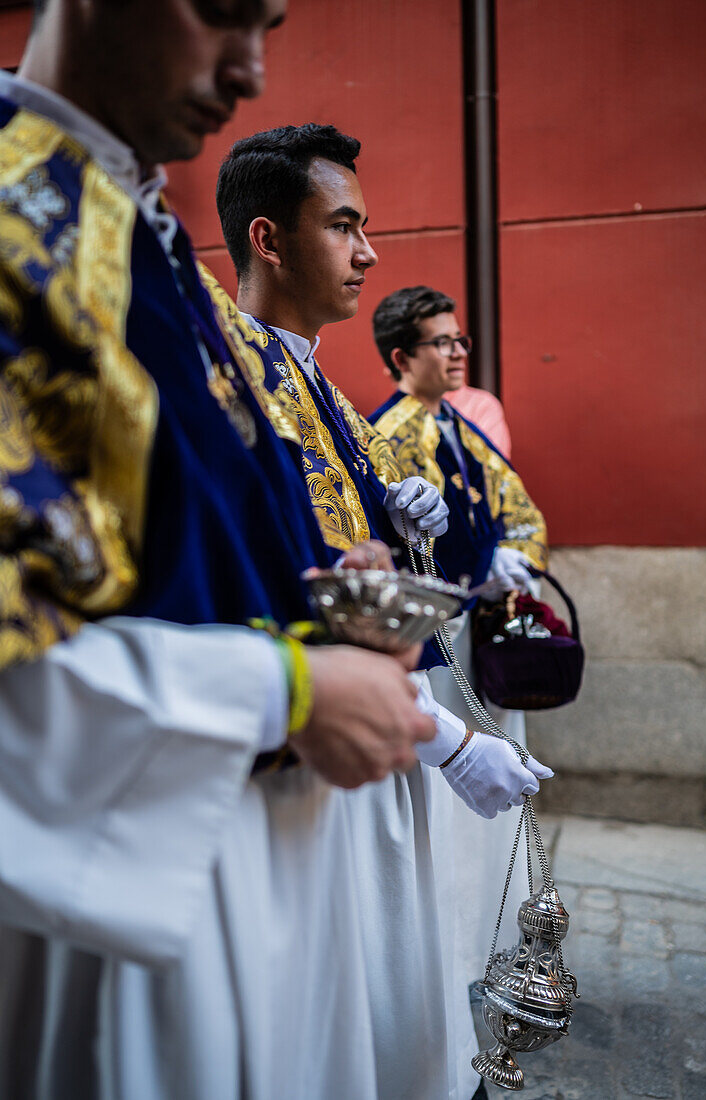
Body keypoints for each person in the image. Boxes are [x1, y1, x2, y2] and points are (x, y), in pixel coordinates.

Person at [0, 4, 448, 1098]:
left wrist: (303, 587)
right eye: (221, 11)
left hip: (242, 853)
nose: (251, 68)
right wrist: (289, 684)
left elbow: (170, 537)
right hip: (121, 885)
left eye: (269, 20)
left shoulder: (137, 226)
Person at [215, 124, 553, 1097]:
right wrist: (444, 736)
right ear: (271, 239)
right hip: (320, 747)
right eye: (346, 226)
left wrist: (412, 522)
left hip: (378, 733)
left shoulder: (314, 374)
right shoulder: (237, 378)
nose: (369, 253)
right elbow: (283, 582)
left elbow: (358, 556)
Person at [370, 284, 550, 992]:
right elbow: (402, 550)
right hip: (436, 644)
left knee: (487, 812)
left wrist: (516, 556)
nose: (455, 354)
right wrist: (483, 563)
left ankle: (482, 941)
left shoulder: (458, 425)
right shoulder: (387, 432)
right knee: (450, 808)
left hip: (475, 634)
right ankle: (448, 951)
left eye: (458, 341)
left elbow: (517, 506)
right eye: (440, 343)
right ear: (400, 357)